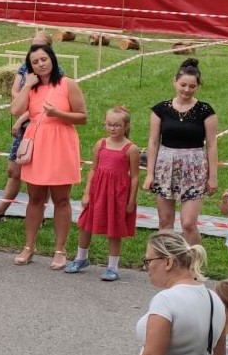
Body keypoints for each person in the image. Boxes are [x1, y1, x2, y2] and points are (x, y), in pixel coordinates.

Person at [10, 42, 87, 268]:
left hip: (61, 144)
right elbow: (15, 110)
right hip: (37, 144)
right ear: (30, 67)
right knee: (35, 198)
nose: (40, 64)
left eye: (43, 59)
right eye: (35, 62)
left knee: (61, 199)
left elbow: (82, 116)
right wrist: (27, 85)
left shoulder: (67, 84)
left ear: (52, 59)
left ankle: (60, 250)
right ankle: (28, 247)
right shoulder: (32, 88)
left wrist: (58, 113)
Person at [144, 59, 219, 248]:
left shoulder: (205, 111)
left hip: (194, 168)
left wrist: (213, 177)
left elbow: (211, 145)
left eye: (192, 86)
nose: (187, 90)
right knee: (165, 221)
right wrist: (150, 174)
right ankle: (164, 261)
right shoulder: (160, 110)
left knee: (188, 223)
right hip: (165, 167)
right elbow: (153, 143)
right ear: (175, 82)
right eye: (183, 85)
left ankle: (193, 264)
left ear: (198, 86)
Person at [66, 105, 139, 278]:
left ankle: (113, 267)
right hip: (98, 191)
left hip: (118, 194)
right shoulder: (101, 144)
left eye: (117, 125)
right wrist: (86, 192)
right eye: (109, 124)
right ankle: (81, 258)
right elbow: (94, 169)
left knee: (114, 229)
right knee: (86, 225)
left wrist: (131, 201)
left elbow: (135, 177)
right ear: (105, 125)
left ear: (126, 126)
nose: (113, 128)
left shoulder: (131, 149)